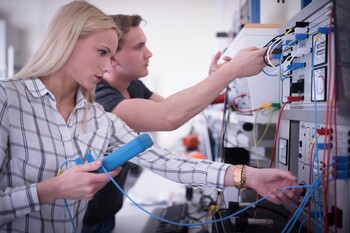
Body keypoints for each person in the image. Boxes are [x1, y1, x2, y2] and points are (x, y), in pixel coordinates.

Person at [0, 2, 301, 232]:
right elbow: (167, 116)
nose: (108, 66)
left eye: (112, 54)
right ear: (68, 40)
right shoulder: (7, 100)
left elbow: (166, 160)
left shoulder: (96, 117)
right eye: (102, 52)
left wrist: (248, 176)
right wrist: (51, 190)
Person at [82, 14, 300, 233]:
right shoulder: (101, 99)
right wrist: (230, 71)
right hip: (84, 217)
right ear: (112, 57)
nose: (149, 53)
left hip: (106, 212)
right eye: (139, 47)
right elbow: (168, 116)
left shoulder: (134, 87)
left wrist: (216, 80)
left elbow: (179, 108)